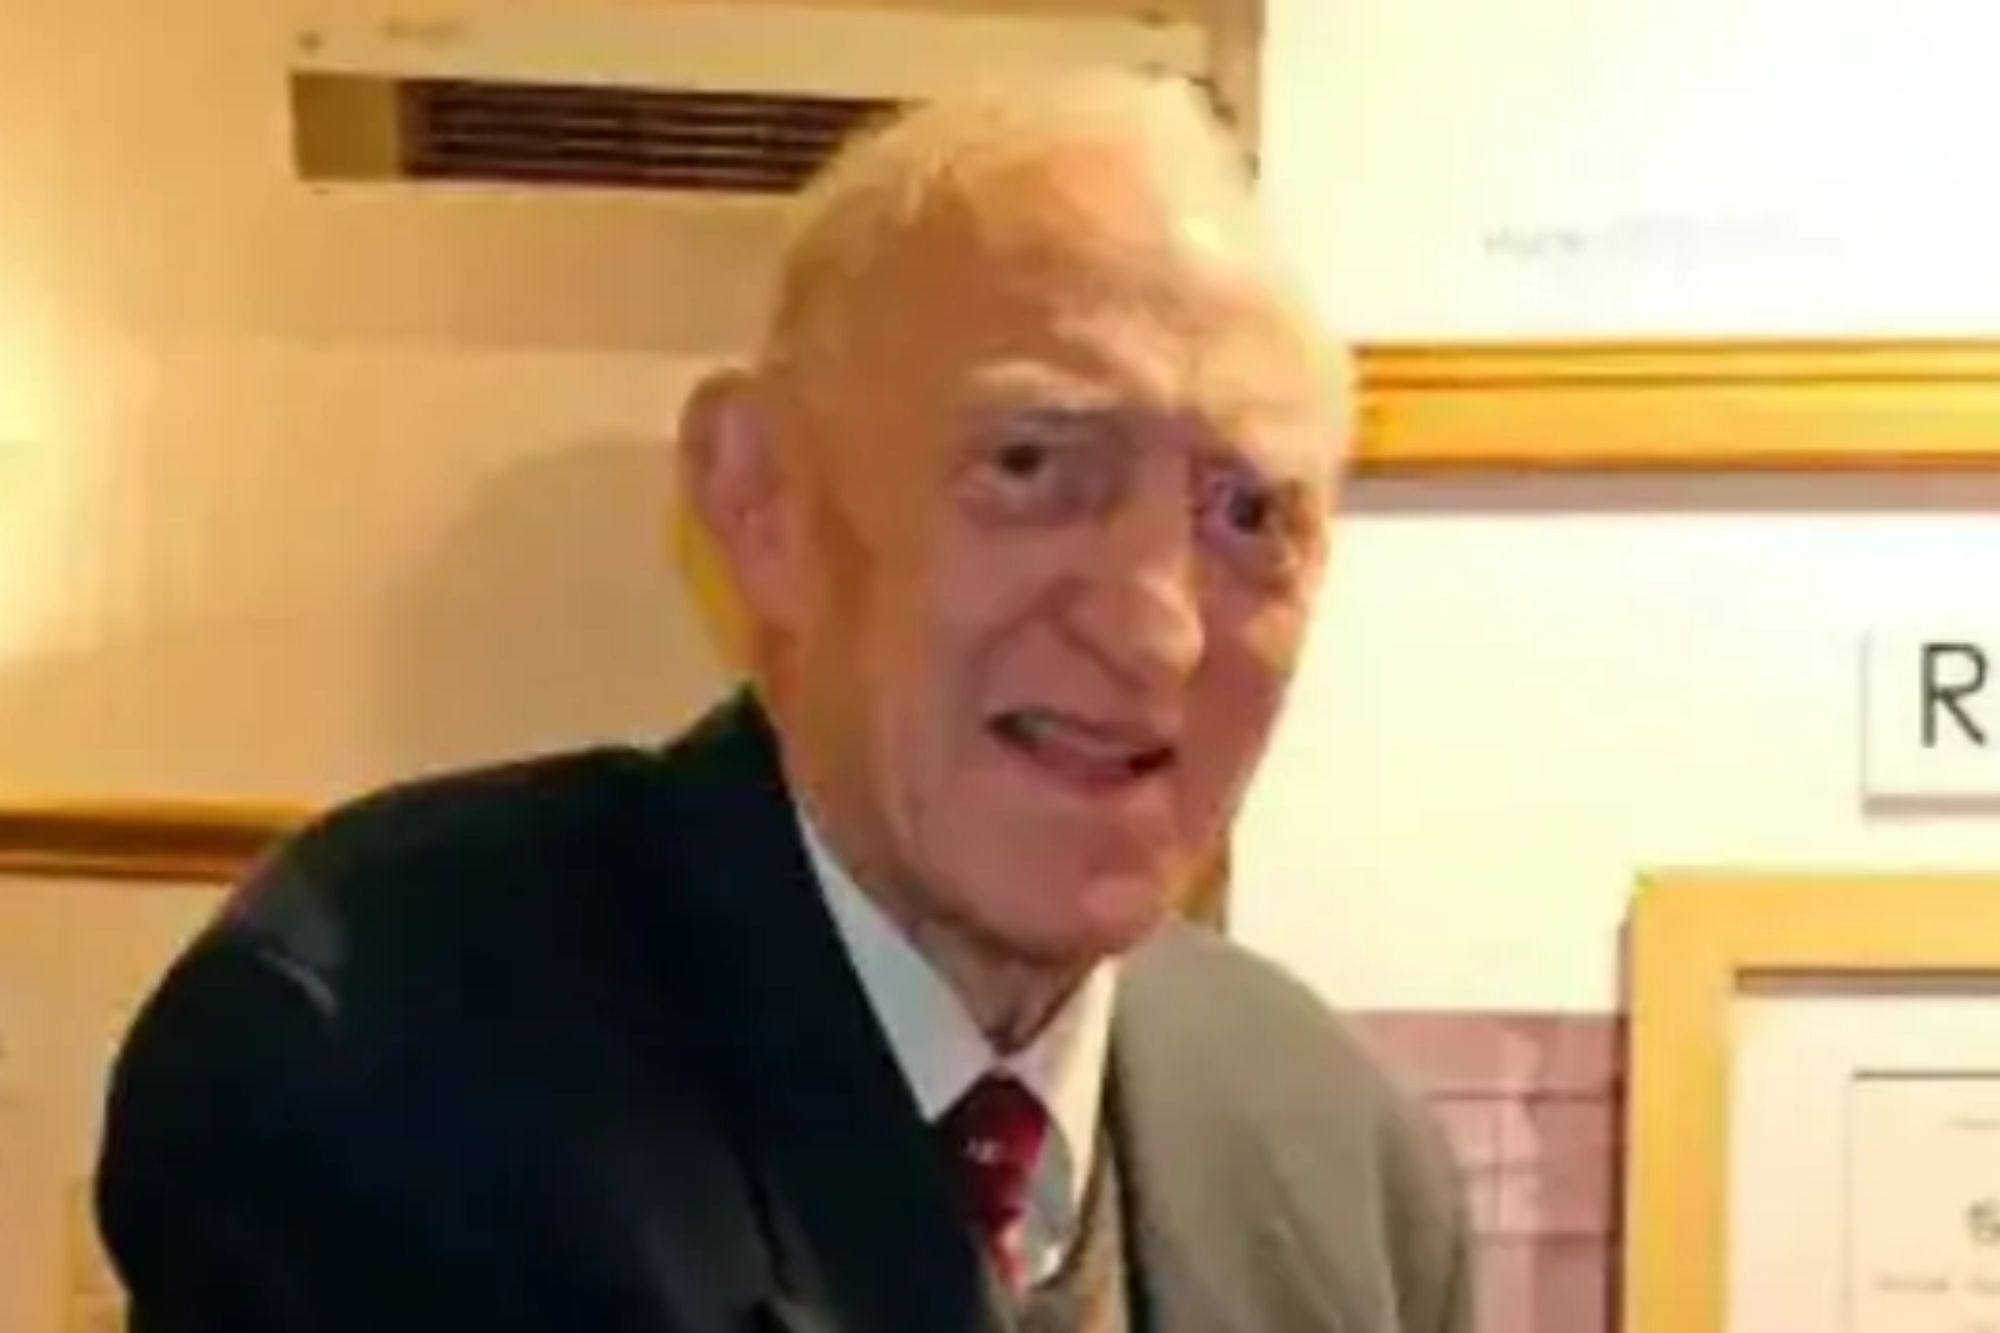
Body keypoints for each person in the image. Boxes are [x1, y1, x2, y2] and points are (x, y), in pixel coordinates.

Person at [96, 71, 1470, 1333]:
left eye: (1251, 514)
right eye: (1035, 461)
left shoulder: (1344, 1153)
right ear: (762, 502)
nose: (1155, 626)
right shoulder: (381, 1050)